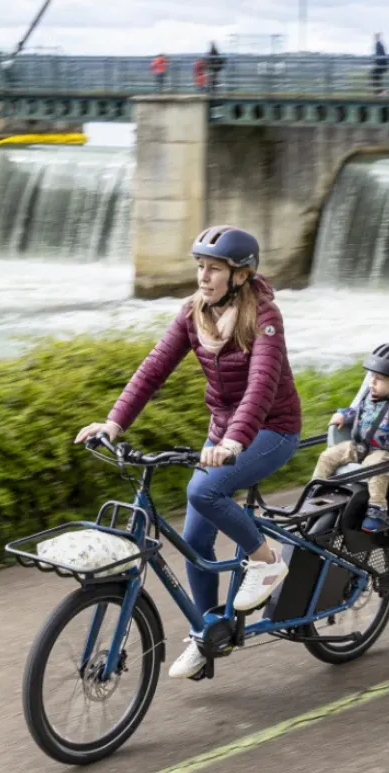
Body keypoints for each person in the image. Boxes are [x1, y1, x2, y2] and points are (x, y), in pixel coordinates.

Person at [75, 225, 302, 679]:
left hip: (272, 430)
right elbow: (153, 369)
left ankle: (266, 560)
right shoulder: (193, 313)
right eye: (200, 267)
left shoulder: (265, 319)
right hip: (223, 432)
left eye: (214, 269)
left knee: (204, 493)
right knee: (194, 540)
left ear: (239, 275)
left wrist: (235, 441)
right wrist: (114, 423)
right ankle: (209, 632)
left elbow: (261, 387)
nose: (203, 276)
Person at [311, 342, 389, 533]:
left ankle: (377, 510)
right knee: (327, 456)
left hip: (383, 452)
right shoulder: (371, 396)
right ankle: (315, 492)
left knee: (375, 469)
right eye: (372, 377)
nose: (372, 382)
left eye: (379, 379)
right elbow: (357, 411)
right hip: (359, 446)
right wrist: (344, 416)